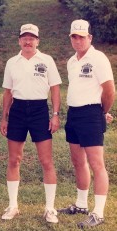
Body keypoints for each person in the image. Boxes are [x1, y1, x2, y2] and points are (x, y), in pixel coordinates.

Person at [0, 24, 62, 223]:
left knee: (46, 160)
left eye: (32, 38)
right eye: (24, 37)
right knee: (14, 159)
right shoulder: (12, 62)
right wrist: (4, 117)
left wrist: (55, 114)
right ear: (19, 40)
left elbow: (55, 89)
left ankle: (50, 208)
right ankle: (13, 205)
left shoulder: (47, 60)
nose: (28, 41)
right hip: (17, 111)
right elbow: (8, 92)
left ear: (38, 41)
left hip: (39, 111)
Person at [58, 19, 115, 229]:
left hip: (91, 113)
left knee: (97, 164)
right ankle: (81, 205)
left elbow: (109, 91)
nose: (78, 40)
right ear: (71, 38)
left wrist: (102, 112)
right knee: (78, 161)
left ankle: (98, 213)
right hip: (73, 114)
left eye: (82, 36)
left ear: (90, 38)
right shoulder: (71, 61)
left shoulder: (98, 58)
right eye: (74, 36)